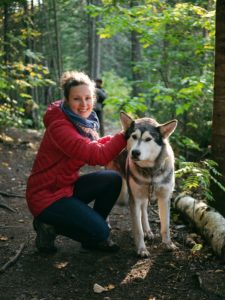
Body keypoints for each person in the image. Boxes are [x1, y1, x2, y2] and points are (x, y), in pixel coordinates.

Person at [26, 71, 127, 254]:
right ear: (66, 100)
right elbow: (98, 156)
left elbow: (91, 145)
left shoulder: (81, 121)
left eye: (88, 98)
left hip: (66, 188)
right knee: (101, 232)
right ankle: (48, 225)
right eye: (77, 99)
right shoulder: (60, 126)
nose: (84, 105)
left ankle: (92, 234)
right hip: (46, 198)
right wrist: (125, 135)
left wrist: (113, 139)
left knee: (112, 179)